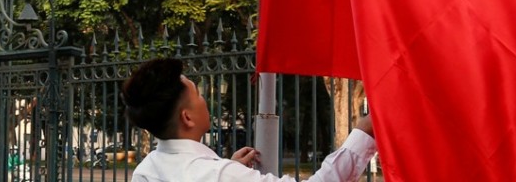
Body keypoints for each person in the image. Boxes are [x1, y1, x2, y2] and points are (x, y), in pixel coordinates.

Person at [122, 58, 376, 182]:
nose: (204, 101)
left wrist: (226, 167)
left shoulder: (146, 171)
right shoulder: (219, 175)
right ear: (186, 117)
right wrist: (363, 133)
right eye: (198, 94)